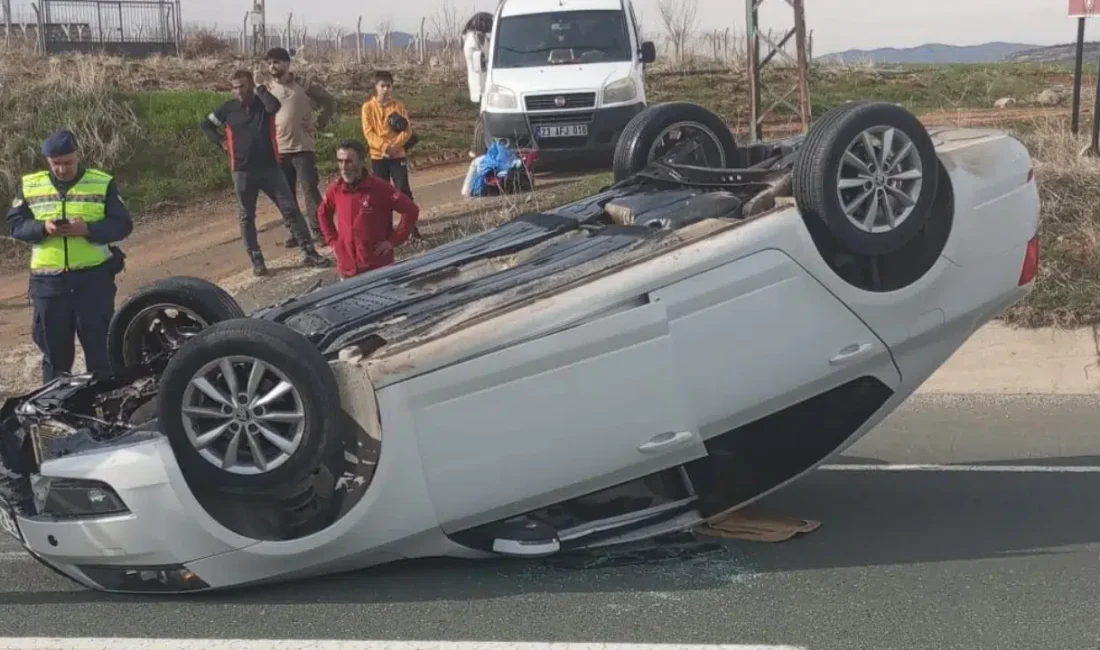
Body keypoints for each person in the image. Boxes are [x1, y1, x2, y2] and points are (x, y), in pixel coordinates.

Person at [5, 130, 132, 383]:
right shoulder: (30, 185)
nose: (62, 169)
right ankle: (57, 414)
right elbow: (15, 225)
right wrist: (43, 228)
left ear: (78, 156)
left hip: (92, 281)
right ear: (47, 161)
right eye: (56, 164)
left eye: (67, 163)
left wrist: (88, 230)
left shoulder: (101, 182)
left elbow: (123, 225)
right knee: (55, 358)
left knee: (101, 352)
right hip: (49, 284)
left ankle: (106, 410)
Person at [200, 69, 332, 277]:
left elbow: (274, 106)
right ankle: (257, 260)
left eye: (242, 86)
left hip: (270, 168)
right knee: (247, 216)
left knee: (290, 210)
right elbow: (206, 125)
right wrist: (220, 141)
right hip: (242, 172)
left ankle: (309, 251)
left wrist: (261, 87)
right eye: (235, 87)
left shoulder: (264, 104)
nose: (238, 91)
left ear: (251, 85)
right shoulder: (228, 109)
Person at [262, 46, 337, 250]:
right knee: (286, 195)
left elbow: (329, 101)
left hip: (303, 148)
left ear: (287, 64)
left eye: (276, 62)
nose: (272, 66)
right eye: (269, 63)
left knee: (310, 191)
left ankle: (320, 230)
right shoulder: (266, 90)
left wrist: (320, 122)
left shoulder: (304, 85)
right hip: (279, 150)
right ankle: (296, 232)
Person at [317, 139, 420, 280]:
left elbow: (411, 210)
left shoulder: (381, 188)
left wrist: (393, 241)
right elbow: (323, 213)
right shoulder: (336, 189)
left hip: (378, 269)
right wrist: (333, 241)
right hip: (347, 270)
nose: (343, 167)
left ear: (361, 162)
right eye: (340, 161)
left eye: (349, 161)